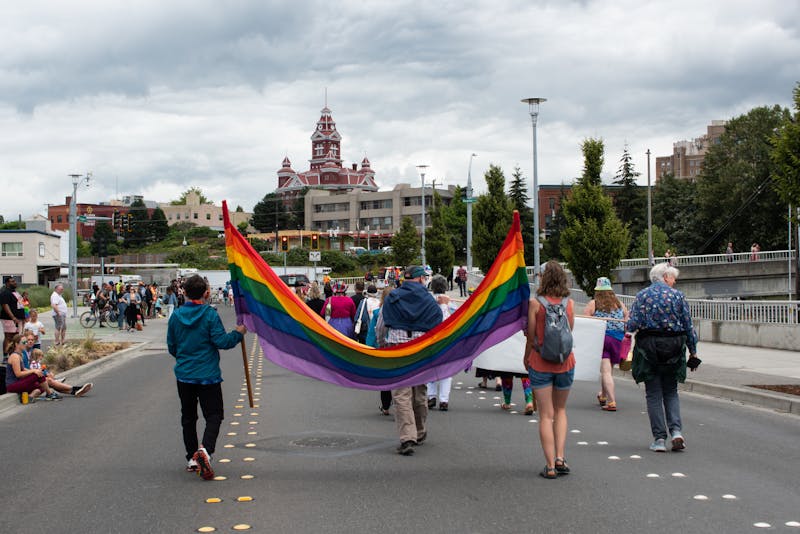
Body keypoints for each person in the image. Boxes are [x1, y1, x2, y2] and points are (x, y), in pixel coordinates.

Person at [167, 274, 247, 480]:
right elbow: (222, 341)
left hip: (184, 375)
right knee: (214, 415)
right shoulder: (210, 314)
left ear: (183, 292)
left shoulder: (175, 316)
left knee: (188, 418)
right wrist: (238, 333)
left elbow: (172, 346)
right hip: (208, 375)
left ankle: (192, 458)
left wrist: (185, 359)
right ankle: (205, 450)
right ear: (206, 293)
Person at [627, 263, 698, 453]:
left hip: (649, 348)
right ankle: (676, 431)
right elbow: (688, 325)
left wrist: (629, 329)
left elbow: (633, 323)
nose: (674, 281)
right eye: (673, 277)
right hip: (674, 347)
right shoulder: (678, 296)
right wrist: (693, 350)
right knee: (671, 391)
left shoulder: (642, 295)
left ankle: (659, 439)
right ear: (665, 277)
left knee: (653, 393)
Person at [375, 265, 443, 455]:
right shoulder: (428, 300)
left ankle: (407, 437)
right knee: (419, 392)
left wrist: (382, 345)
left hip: (398, 349)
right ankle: (420, 431)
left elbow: (381, 325)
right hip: (420, 350)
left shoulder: (393, 297)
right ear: (421, 279)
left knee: (401, 394)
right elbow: (439, 325)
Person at [524, 260, 575, 479]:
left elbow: (531, 334)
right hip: (565, 362)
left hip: (541, 361)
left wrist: (526, 357)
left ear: (543, 278)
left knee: (546, 415)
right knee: (561, 411)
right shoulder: (569, 303)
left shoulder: (536, 304)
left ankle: (550, 466)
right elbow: (569, 331)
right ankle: (561, 457)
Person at [583, 277, 628, 412]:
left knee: (606, 371)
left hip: (602, 339)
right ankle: (603, 395)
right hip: (617, 340)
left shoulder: (594, 303)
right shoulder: (619, 304)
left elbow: (586, 321)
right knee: (608, 370)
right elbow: (627, 318)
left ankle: (612, 400)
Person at [426, 275, 456, 411]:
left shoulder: (427, 302)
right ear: (446, 287)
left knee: (429, 369)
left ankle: (431, 396)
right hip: (447, 341)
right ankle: (444, 400)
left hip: (430, 340)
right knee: (446, 371)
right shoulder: (451, 304)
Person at [366, 286, 393, 416]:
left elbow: (372, 333)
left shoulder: (377, 313)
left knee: (385, 379)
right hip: (398, 347)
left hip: (382, 348)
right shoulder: (401, 312)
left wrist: (368, 348)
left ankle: (386, 406)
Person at [1, 277, 25, 356]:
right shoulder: (5, 293)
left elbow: (20, 305)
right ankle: (5, 355)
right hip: (9, 319)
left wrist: (24, 317)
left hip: (19, 319)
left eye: (15, 281)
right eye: (12, 281)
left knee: (16, 337)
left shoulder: (15, 292)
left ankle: (13, 354)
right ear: (7, 283)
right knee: (9, 337)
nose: (15, 282)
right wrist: (13, 317)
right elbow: (5, 305)